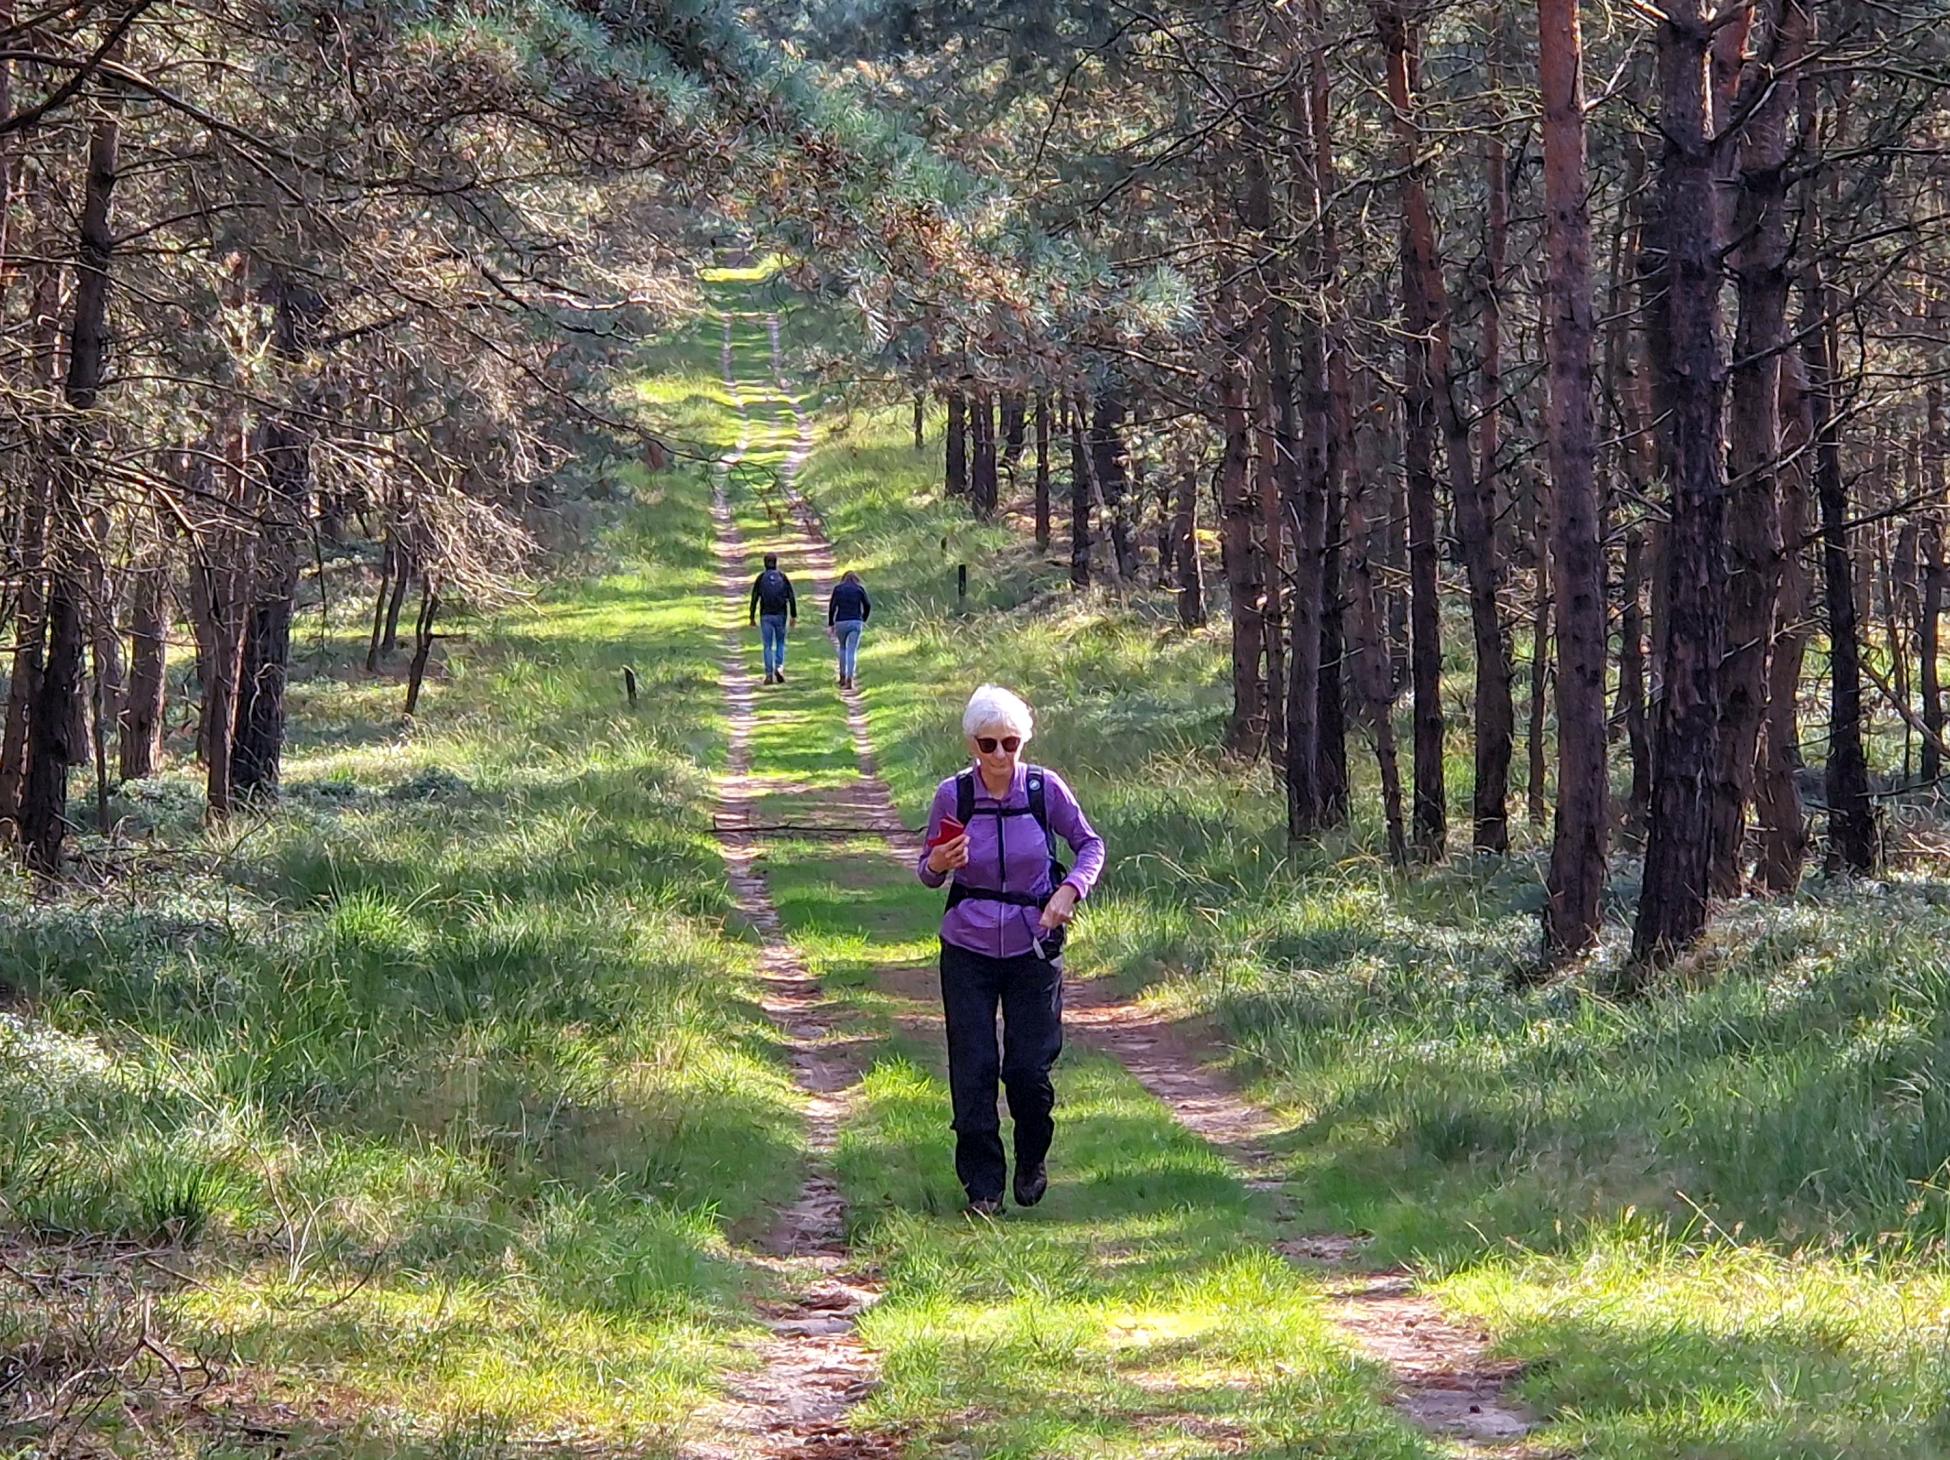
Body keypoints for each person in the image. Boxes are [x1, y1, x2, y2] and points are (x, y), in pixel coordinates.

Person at [917, 685, 1105, 1217]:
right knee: (973, 1067)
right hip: (967, 946)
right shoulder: (954, 795)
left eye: (1010, 743)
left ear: (1023, 741)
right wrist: (940, 863)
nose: (999, 755)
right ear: (971, 745)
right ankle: (982, 1188)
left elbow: (1090, 845)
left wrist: (1069, 892)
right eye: (987, 744)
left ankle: (1031, 1159)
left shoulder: (1046, 789)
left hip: (1034, 947)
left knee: (1027, 1068)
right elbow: (927, 872)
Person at [747, 553, 797, 684]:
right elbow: (791, 596)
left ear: (764, 563)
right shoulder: (782, 577)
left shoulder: (761, 578)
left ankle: (768, 674)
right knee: (780, 642)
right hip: (781, 615)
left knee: (767, 645)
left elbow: (754, 598)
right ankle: (779, 667)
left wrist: (751, 617)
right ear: (776, 562)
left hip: (766, 615)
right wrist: (793, 615)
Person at [827, 570, 872, 689]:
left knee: (842, 648)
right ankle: (850, 678)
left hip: (841, 621)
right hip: (855, 621)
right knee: (852, 651)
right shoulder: (859, 589)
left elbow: (832, 607)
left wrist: (831, 623)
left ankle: (842, 676)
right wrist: (863, 619)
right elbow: (867, 605)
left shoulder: (838, 589)